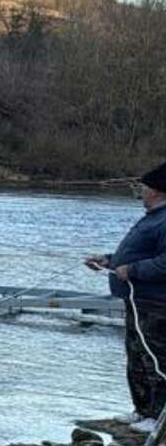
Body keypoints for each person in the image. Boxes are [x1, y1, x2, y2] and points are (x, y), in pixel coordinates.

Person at [85, 162, 166, 431]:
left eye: (143, 187)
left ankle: (157, 418)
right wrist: (109, 261)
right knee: (135, 356)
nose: (140, 192)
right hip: (136, 300)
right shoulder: (152, 217)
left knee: (154, 358)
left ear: (156, 191)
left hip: (156, 303)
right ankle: (141, 410)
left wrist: (130, 270)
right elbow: (139, 254)